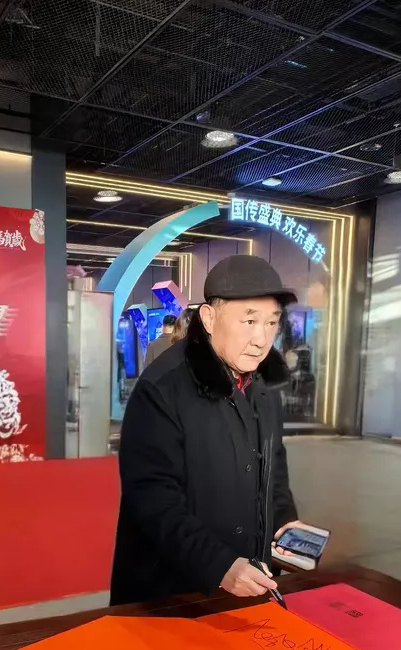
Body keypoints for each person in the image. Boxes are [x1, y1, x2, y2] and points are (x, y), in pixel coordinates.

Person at [110, 255, 303, 606]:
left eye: (271, 322)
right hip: (170, 595)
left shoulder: (263, 387)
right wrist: (219, 565)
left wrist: (285, 524)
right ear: (209, 319)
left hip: (250, 583)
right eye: (249, 321)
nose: (261, 339)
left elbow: (274, 474)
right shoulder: (162, 389)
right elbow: (153, 500)